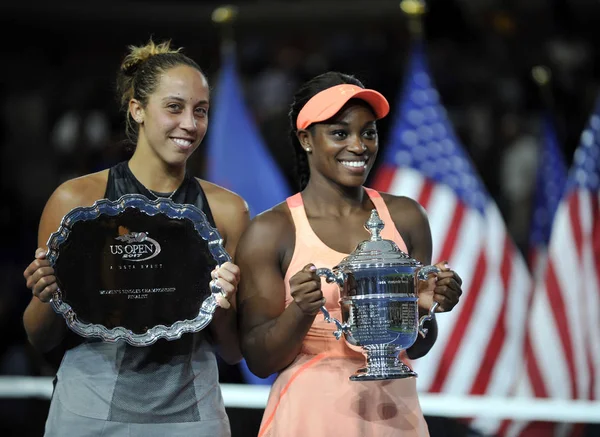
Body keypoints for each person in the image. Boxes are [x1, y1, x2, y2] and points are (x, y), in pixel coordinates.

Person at [22, 39, 248, 437]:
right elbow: (40, 338)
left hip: (193, 417)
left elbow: (232, 350)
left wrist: (224, 304)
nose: (190, 124)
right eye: (174, 107)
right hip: (88, 412)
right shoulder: (76, 200)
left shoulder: (228, 210)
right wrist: (46, 296)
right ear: (137, 109)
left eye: (201, 111)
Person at [235, 72, 463, 437]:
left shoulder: (407, 217)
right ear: (306, 139)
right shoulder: (270, 231)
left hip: (394, 416)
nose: (359, 146)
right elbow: (260, 362)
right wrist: (300, 310)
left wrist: (424, 308)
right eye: (340, 133)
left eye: (368, 132)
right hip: (309, 420)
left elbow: (417, 347)